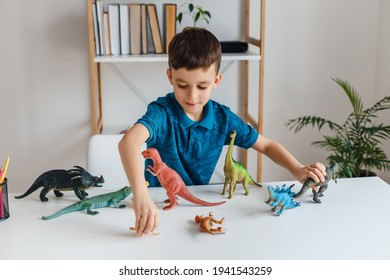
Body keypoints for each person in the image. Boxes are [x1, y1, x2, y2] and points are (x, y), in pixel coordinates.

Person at [119, 28, 326, 236]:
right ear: (170, 76)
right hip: (156, 205)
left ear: (216, 80)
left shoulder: (223, 118)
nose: (192, 96)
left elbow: (267, 145)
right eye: (182, 85)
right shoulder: (161, 112)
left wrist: (297, 168)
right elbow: (128, 143)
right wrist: (141, 195)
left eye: (202, 86)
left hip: (192, 213)